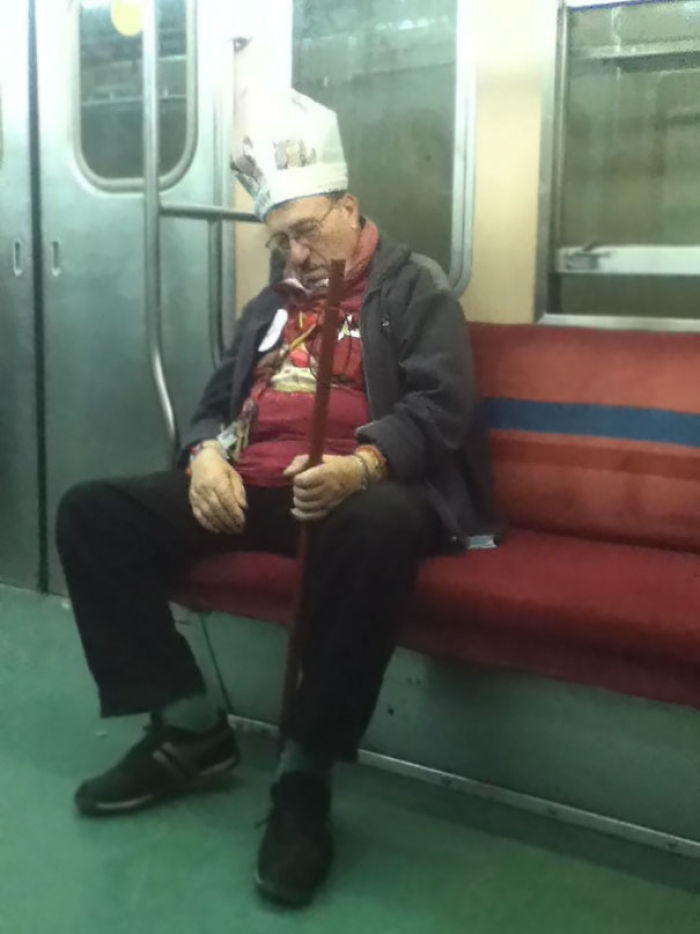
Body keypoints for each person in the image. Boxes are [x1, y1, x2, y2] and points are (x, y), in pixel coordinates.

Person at [55, 86, 499, 907]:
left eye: (305, 233)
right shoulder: (273, 304)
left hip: (360, 492)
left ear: (350, 207)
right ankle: (189, 728)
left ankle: (303, 775)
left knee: (371, 529)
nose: (293, 255)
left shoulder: (413, 290)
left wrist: (361, 466)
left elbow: (442, 411)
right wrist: (203, 458)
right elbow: (215, 402)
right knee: (92, 513)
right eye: (280, 240)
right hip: (253, 486)